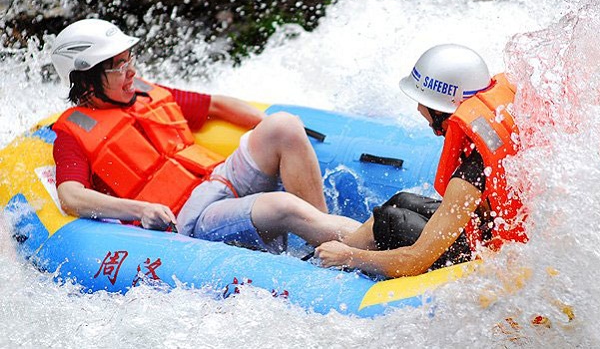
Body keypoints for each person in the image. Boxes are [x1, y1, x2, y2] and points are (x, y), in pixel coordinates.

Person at [51, 18, 360, 254]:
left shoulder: (148, 93)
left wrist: (271, 129)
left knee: (284, 125)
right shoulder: (72, 134)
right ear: (86, 81)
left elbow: (217, 105)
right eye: (118, 67)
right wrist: (141, 209)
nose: (131, 71)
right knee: (281, 206)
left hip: (221, 176)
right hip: (192, 217)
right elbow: (70, 196)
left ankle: (327, 237)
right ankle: (368, 246)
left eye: (129, 59)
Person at [315, 44, 528, 277]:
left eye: (424, 103)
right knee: (402, 200)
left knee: (390, 219)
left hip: (486, 262)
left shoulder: (469, 177)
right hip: (498, 236)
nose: (418, 108)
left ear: (441, 110)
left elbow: (414, 262)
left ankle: (334, 261)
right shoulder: (513, 127)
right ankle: (336, 252)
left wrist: (350, 257)